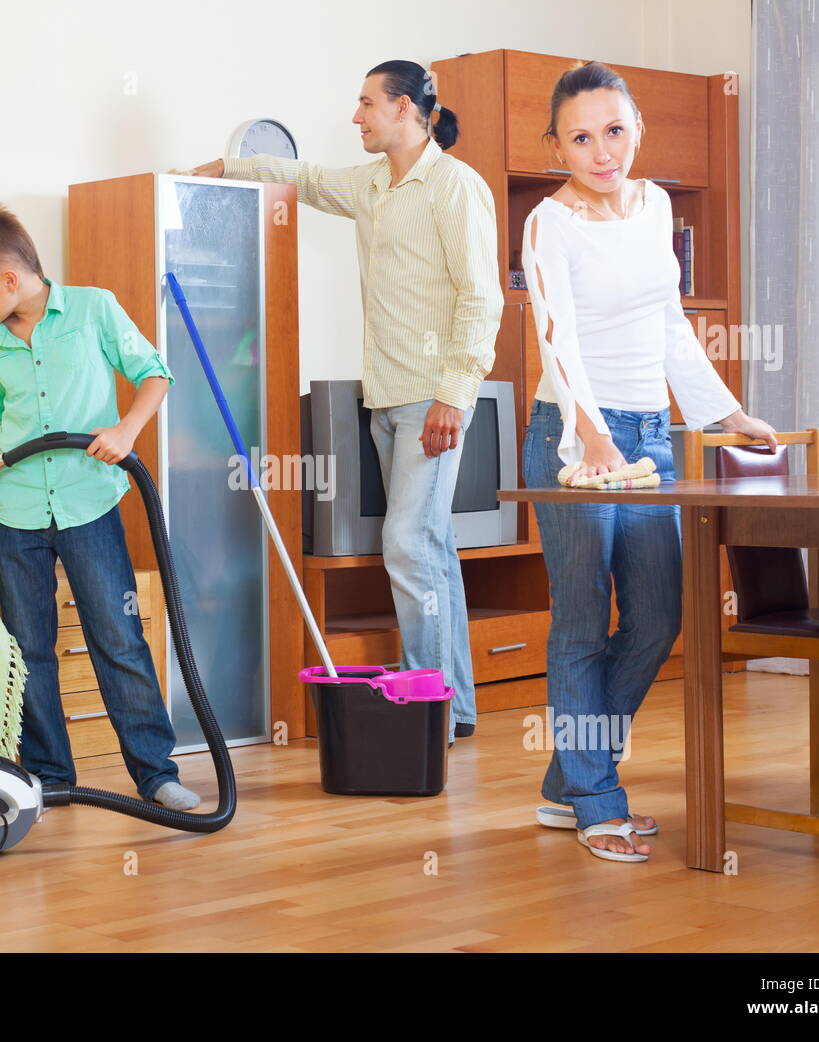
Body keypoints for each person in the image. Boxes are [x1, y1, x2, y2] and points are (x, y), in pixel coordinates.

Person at [191, 59, 502, 745]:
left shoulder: (454, 186)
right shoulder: (372, 185)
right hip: (386, 397)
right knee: (430, 548)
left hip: (431, 400)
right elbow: (305, 179)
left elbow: (482, 298)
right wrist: (227, 167)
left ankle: (425, 706)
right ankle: (452, 707)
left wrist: (454, 396)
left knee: (407, 543)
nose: (356, 116)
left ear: (404, 108)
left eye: (367, 103)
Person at [522, 61, 777, 862]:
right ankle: (597, 801)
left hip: (650, 438)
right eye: (581, 138)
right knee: (580, 621)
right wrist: (591, 434)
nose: (601, 152)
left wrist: (726, 413)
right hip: (571, 439)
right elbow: (556, 337)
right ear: (557, 146)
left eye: (614, 131)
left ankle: (570, 777)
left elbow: (670, 323)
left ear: (637, 129)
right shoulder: (548, 222)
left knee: (661, 615)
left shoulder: (656, 204)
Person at [0, 203, 201, 810]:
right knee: (29, 649)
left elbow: (154, 374)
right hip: (17, 511)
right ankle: (50, 776)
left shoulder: (93, 309)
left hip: (88, 503)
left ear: (9, 280)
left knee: (118, 635)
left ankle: (155, 773)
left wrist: (126, 429)